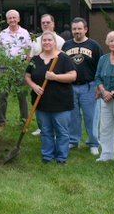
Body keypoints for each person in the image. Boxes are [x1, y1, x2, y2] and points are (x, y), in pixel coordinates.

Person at [25, 31, 77, 164]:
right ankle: (47, 155)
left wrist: (55, 77)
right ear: (41, 43)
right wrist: (34, 86)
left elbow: (72, 76)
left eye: (49, 40)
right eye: (44, 40)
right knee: (45, 130)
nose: (47, 42)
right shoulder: (36, 59)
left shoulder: (63, 58)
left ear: (54, 42)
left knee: (62, 131)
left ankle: (61, 157)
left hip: (61, 102)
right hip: (41, 102)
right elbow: (27, 76)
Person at [62, 17, 103, 155]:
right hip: (71, 86)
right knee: (73, 116)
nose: (77, 31)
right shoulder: (66, 46)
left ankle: (93, 143)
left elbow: (100, 66)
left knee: (91, 116)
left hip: (89, 86)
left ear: (85, 29)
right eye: (74, 29)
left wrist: (99, 85)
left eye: (79, 28)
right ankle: (73, 140)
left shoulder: (94, 45)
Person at [94, 30, 114, 168]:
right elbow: (97, 77)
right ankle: (106, 154)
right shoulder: (103, 59)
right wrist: (104, 91)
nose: (113, 43)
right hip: (104, 97)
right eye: (111, 41)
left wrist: (112, 93)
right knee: (106, 127)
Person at [30, 14, 66, 136]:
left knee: (54, 107)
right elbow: (31, 58)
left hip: (54, 80)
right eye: (43, 23)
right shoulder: (36, 41)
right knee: (39, 105)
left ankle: (56, 130)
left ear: (53, 23)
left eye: (48, 22)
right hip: (38, 79)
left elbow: (63, 60)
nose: (45, 24)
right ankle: (42, 128)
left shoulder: (60, 41)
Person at [0, 9, 32, 130]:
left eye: (14, 18)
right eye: (10, 18)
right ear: (7, 20)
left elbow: (29, 52)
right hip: (4, 66)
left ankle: (24, 123)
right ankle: (1, 123)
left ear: (18, 19)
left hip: (19, 66)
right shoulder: (3, 34)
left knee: (22, 95)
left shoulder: (25, 33)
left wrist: (24, 66)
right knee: (2, 95)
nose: (12, 20)